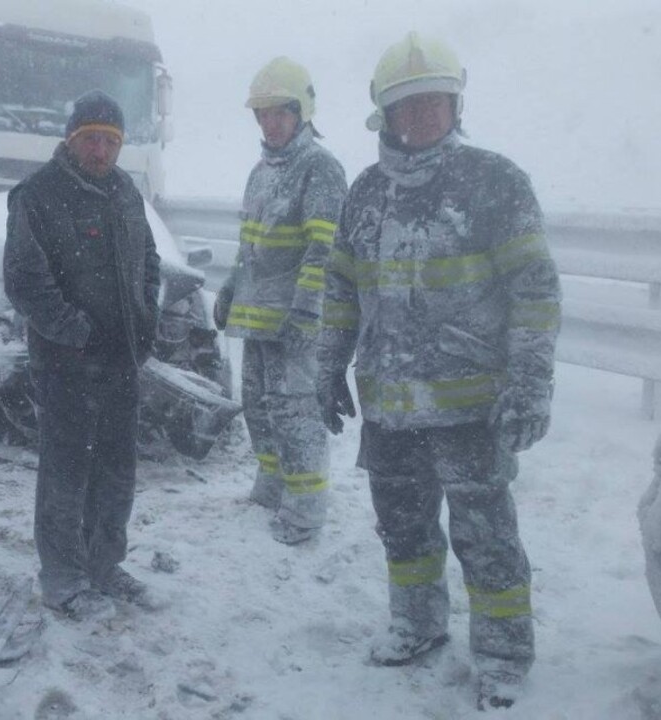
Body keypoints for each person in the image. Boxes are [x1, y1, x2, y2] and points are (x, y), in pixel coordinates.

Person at [317, 32, 561, 710]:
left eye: (434, 103)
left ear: (455, 105)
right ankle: (418, 624)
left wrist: (531, 381)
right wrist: (328, 366)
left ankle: (505, 654)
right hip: (390, 408)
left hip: (471, 409)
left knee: (486, 537)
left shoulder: (494, 183)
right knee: (403, 529)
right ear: (385, 115)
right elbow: (340, 289)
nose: (422, 116)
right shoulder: (365, 193)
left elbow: (534, 290)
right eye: (408, 106)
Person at [3, 90, 162, 622]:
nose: (101, 151)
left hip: (121, 362)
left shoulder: (124, 192)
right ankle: (63, 579)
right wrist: (75, 332)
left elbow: (149, 261)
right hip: (66, 363)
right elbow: (25, 280)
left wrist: (145, 318)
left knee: (116, 471)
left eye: (111, 141)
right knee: (67, 472)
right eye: (91, 139)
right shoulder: (38, 195)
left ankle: (103, 564)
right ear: (72, 141)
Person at [213, 57, 347, 545]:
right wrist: (230, 288)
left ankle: (305, 509)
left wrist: (307, 311)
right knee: (260, 408)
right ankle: (272, 487)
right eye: (263, 114)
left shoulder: (320, 169)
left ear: (301, 112)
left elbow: (323, 249)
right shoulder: (260, 172)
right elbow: (250, 244)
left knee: (295, 415)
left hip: (293, 321)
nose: (270, 123)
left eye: (279, 113)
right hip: (257, 318)